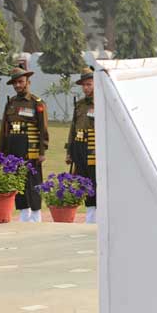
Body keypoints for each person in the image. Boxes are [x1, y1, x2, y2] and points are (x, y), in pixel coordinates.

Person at [0, 67, 49, 223]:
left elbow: (43, 129)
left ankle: (36, 214)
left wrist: (42, 151)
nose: (18, 85)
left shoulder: (36, 103)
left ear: (28, 82)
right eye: (15, 83)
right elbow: (4, 128)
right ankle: (23, 212)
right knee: (17, 178)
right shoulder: (11, 103)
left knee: (33, 180)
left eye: (20, 82)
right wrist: (2, 150)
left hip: (30, 146)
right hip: (13, 145)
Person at [66, 66, 97, 224]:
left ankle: (98, 216)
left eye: (89, 84)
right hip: (79, 146)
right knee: (83, 182)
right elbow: (73, 128)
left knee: (95, 181)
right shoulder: (79, 105)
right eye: (84, 85)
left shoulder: (102, 103)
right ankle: (90, 215)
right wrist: (69, 151)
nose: (85, 88)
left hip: (94, 148)